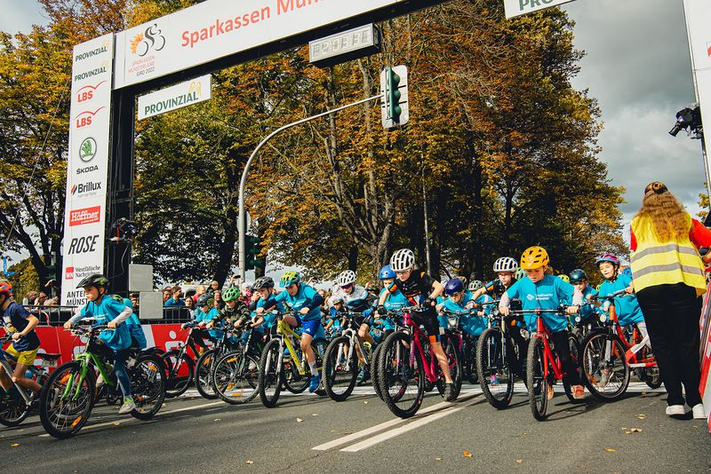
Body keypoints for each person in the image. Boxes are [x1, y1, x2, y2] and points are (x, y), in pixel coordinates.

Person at [629, 181, 711, 419]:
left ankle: (674, 400)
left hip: (649, 287)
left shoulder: (637, 223)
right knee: (686, 342)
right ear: (670, 198)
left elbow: (635, 250)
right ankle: (696, 402)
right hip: (681, 284)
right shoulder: (685, 220)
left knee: (663, 343)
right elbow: (707, 239)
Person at [499, 246, 585, 400]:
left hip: (556, 326)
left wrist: (575, 305)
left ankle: (575, 383)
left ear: (545, 267)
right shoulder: (522, 283)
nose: (532, 275)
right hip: (535, 328)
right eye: (528, 271)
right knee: (537, 359)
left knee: (564, 357)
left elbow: (575, 292)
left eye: (536, 271)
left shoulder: (555, 281)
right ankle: (548, 383)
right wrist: (502, 306)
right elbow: (507, 295)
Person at [378, 248, 456, 401]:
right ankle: (418, 366)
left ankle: (449, 382)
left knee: (436, 347)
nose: (401, 275)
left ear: (411, 268)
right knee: (406, 337)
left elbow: (439, 287)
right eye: (398, 272)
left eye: (404, 272)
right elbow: (386, 293)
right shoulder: (398, 282)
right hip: (413, 312)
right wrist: (381, 305)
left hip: (427, 314)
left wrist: (431, 298)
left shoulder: (420, 276)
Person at [64, 274, 136, 414]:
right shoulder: (92, 304)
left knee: (119, 369)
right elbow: (81, 314)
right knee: (95, 350)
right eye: (85, 291)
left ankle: (128, 399)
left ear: (101, 290)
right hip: (106, 338)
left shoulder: (108, 302)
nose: (87, 294)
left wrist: (116, 321)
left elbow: (128, 310)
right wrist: (71, 321)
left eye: (89, 290)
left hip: (120, 340)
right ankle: (106, 369)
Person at [261, 271, 325, 393]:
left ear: (298, 284)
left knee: (305, 345)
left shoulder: (305, 289)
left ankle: (315, 375)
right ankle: (291, 344)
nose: (289, 290)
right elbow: (273, 301)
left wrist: (309, 307)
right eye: (287, 288)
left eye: (291, 287)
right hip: (299, 318)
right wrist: (263, 307)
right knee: (284, 318)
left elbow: (318, 298)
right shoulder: (286, 293)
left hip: (311, 319)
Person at [329, 270, 375, 383]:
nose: (345, 289)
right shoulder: (339, 292)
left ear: (353, 284)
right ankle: (363, 367)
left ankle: (375, 345)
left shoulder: (361, 291)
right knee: (356, 346)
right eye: (342, 286)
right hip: (352, 315)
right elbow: (330, 302)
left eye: (347, 286)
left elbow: (375, 300)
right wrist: (333, 311)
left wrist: (370, 309)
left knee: (361, 333)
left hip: (364, 314)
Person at [0, 279, 42, 398]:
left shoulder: (15, 308)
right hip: (16, 345)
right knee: (0, 370)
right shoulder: (1, 310)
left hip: (28, 346)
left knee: (17, 378)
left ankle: (46, 393)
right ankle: (13, 397)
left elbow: (34, 320)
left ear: (2, 297)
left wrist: (22, 333)